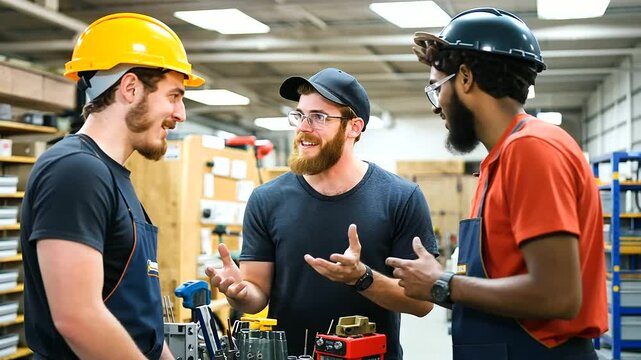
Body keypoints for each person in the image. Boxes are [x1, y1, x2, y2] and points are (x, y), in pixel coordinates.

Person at [385, 8, 607, 360]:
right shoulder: (501, 159)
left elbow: (558, 295)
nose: (436, 106)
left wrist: (442, 283)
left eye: (435, 87)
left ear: (466, 78)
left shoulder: (531, 149)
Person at [207, 67, 438, 359]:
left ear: (354, 127)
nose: (303, 127)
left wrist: (361, 278)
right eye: (300, 115)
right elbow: (256, 294)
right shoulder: (267, 199)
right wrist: (238, 292)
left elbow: (422, 303)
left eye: (318, 117)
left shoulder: (400, 198)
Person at [20, 13, 204, 359]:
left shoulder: (111, 174)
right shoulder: (75, 170)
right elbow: (78, 318)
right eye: (174, 96)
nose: (181, 114)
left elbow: (138, 322)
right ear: (130, 88)